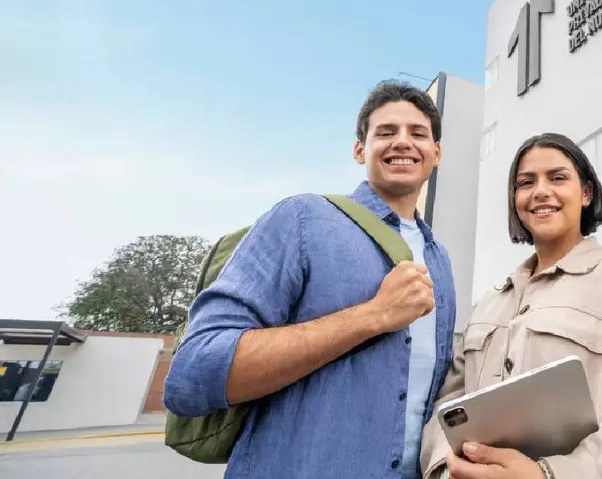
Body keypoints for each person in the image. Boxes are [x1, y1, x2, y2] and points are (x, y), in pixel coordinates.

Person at [163, 79, 458, 479]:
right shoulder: (302, 220)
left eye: (418, 133)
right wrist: (373, 315)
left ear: (436, 152)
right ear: (360, 150)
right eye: (386, 132)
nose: (403, 142)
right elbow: (193, 375)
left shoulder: (440, 259)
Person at [420, 132, 602, 479]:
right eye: (526, 182)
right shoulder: (489, 305)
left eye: (557, 178)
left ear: (586, 193)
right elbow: (446, 411)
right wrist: (447, 469)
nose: (541, 191)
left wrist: (548, 474)